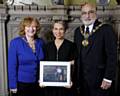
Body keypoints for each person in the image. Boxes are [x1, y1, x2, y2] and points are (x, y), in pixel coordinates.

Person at [74, 2, 117, 96]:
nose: (87, 16)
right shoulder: (78, 31)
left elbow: (112, 55)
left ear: (96, 13)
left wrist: (108, 78)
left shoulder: (106, 29)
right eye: (84, 13)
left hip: (100, 80)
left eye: (90, 12)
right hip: (82, 81)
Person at [8, 17, 44, 96]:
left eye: (33, 26)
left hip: (37, 83)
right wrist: (13, 85)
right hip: (21, 84)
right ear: (24, 28)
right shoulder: (15, 43)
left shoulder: (40, 42)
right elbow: (12, 66)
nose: (31, 29)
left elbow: (43, 63)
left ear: (36, 28)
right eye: (28, 26)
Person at [43, 20, 78, 96]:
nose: (58, 32)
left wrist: (71, 81)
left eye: (61, 29)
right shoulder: (47, 46)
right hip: (50, 85)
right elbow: (44, 65)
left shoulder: (71, 46)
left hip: (66, 84)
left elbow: (74, 65)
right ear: (52, 30)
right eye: (56, 29)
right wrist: (42, 80)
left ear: (65, 30)